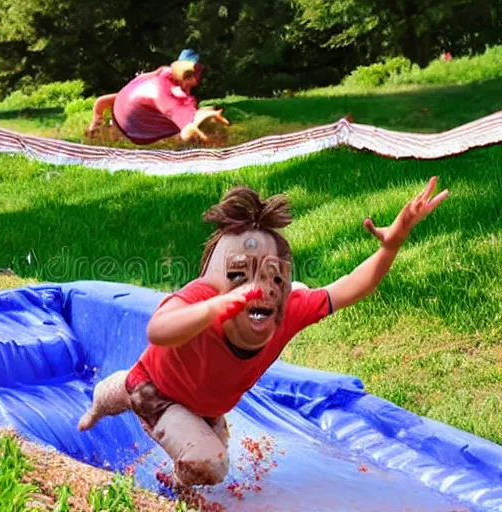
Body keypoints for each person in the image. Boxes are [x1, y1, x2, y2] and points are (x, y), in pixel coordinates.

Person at [78, 177, 448, 486]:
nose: (258, 289)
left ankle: (153, 438)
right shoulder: (206, 296)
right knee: (210, 464)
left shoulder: (287, 310)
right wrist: (212, 309)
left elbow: (351, 286)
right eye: (242, 275)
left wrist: (393, 244)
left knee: (208, 466)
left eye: (273, 276)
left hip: (208, 408)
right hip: (158, 393)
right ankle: (117, 398)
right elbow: (159, 330)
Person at [86, 49, 229, 144]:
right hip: (130, 133)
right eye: (191, 76)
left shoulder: (152, 82)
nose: (196, 81)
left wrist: (95, 119)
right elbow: (187, 132)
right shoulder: (167, 93)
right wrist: (206, 140)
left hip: (128, 122)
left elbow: (102, 101)